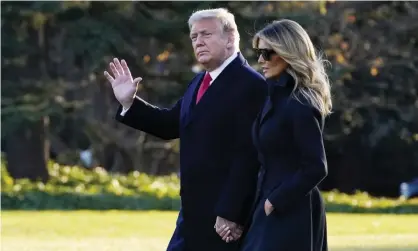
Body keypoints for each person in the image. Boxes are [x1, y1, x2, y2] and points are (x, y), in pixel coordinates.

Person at [103, 8, 267, 251]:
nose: (198, 41)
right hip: (192, 214)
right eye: (193, 37)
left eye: (206, 34)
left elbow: (249, 156)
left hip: (223, 219)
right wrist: (129, 103)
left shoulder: (251, 85)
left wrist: (231, 212)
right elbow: (171, 124)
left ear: (230, 38)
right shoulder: (200, 81)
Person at [218, 19, 332, 250]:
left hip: (292, 209)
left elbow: (316, 166)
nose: (261, 60)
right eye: (259, 52)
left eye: (268, 53)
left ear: (288, 53)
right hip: (268, 205)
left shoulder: (300, 102)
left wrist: (275, 200)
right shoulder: (273, 97)